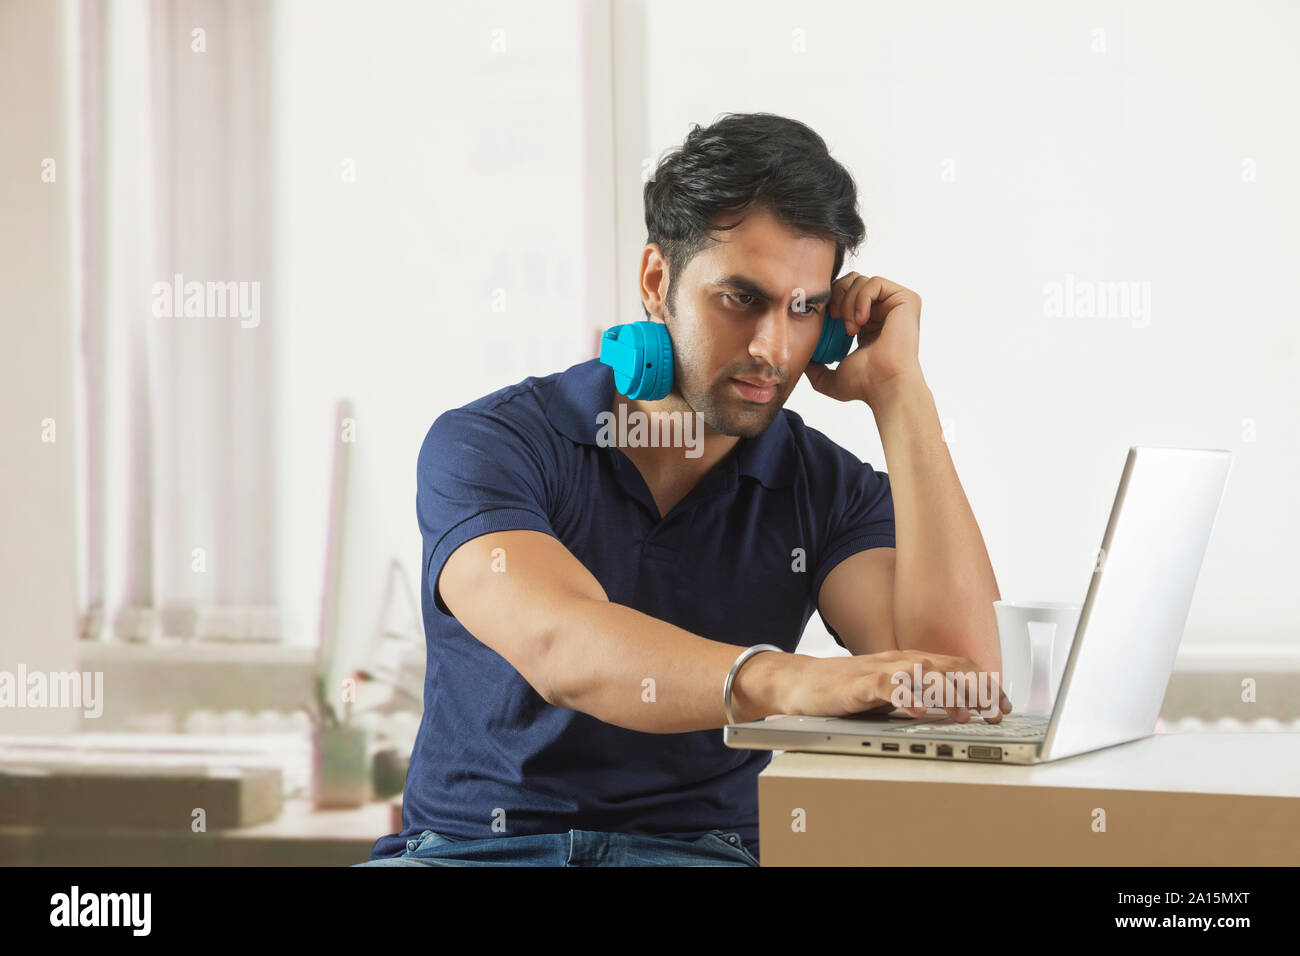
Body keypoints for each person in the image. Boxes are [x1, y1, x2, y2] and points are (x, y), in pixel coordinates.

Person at [355, 112, 1008, 868]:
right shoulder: (491, 444)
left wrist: (901, 392)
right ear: (657, 281)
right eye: (742, 299)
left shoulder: (830, 491)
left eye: (804, 310)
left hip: (706, 855)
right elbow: (563, 644)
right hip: (472, 853)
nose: (774, 348)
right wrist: (789, 682)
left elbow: (960, 689)